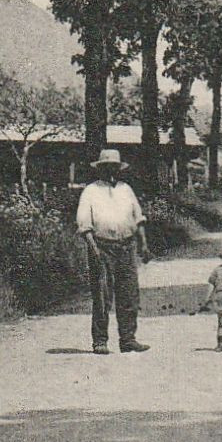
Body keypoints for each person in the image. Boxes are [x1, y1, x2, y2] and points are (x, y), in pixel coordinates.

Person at [75, 148, 152, 355]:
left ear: (119, 169)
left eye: (114, 167)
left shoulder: (126, 189)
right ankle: (100, 340)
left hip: (127, 246)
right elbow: (84, 224)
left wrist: (143, 244)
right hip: (102, 246)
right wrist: (95, 250)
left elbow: (138, 218)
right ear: (100, 168)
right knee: (102, 294)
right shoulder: (90, 191)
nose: (111, 171)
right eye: (107, 167)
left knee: (129, 293)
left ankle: (128, 339)